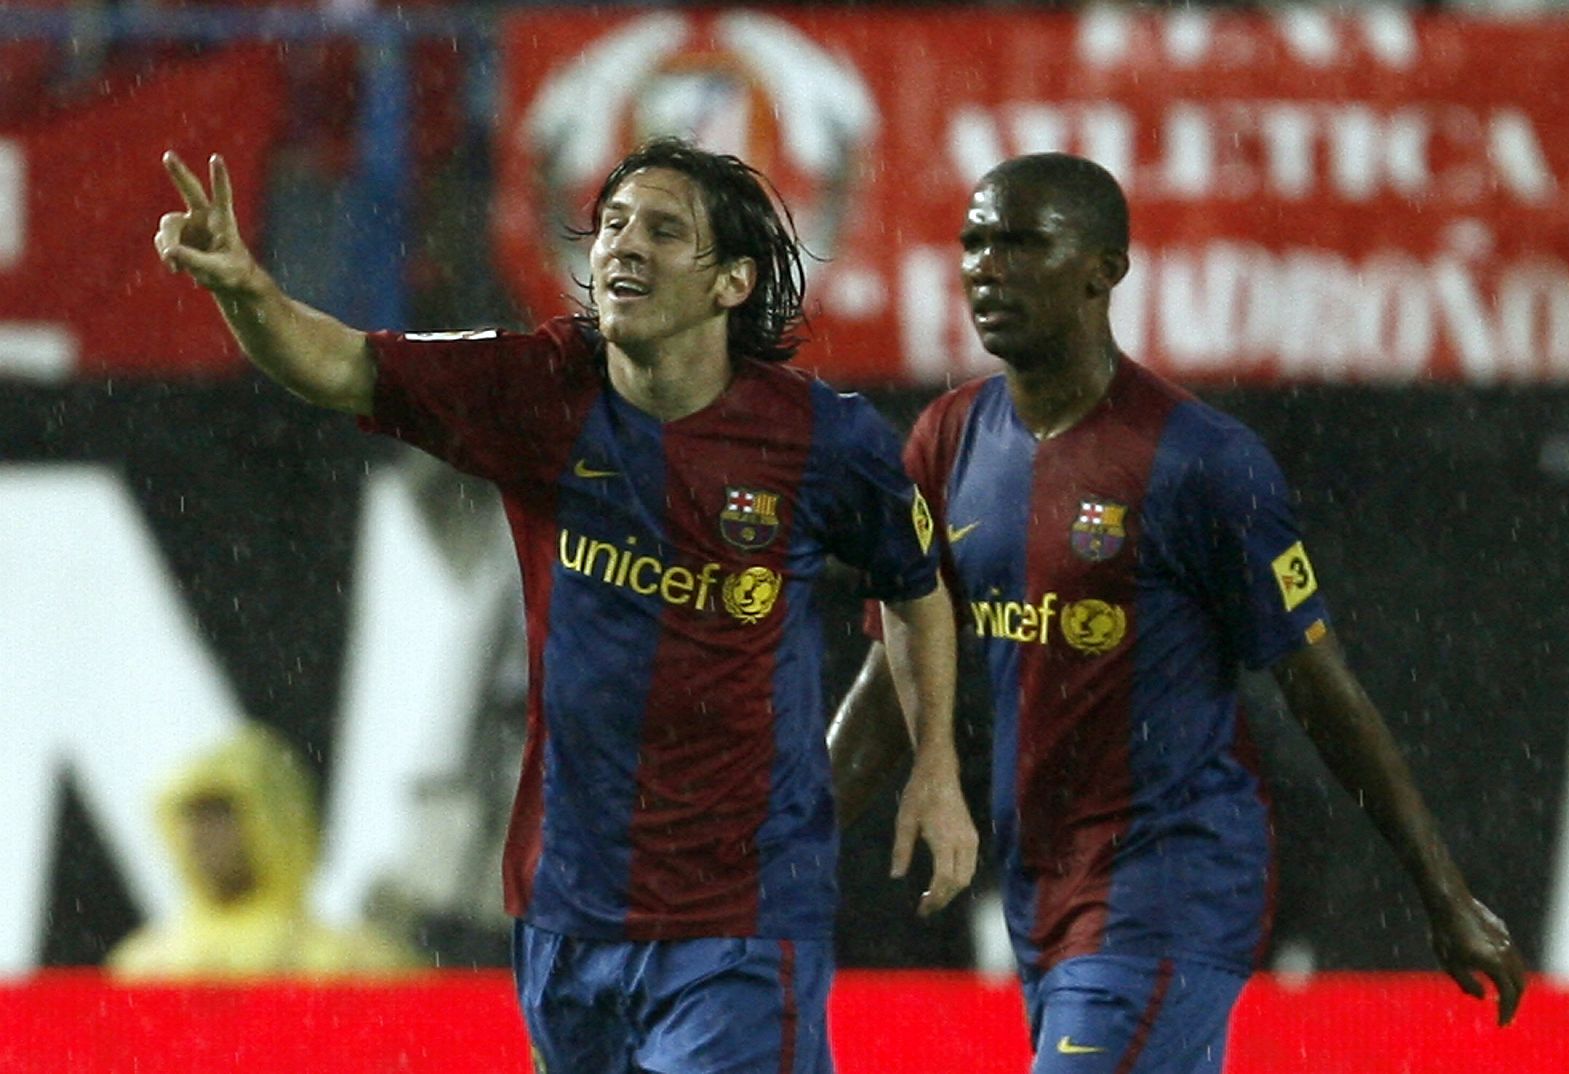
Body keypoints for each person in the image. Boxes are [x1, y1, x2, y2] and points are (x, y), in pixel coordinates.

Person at [154, 137, 977, 1072]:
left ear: (733, 284)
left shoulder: (823, 441)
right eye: (614, 223)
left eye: (664, 231)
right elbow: (343, 366)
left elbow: (917, 587)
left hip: (740, 915)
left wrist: (936, 769)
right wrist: (244, 290)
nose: (624, 245)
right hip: (565, 908)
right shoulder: (539, 387)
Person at [827, 153, 1526, 1073]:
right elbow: (891, 685)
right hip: (1038, 880)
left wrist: (1445, 893)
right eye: (974, 243)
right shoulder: (946, 441)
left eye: (1022, 242)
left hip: (1171, 878)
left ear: (1104, 269)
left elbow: (1320, 687)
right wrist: (760, 861)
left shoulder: (1202, 462)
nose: (986, 267)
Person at [107, 722, 420, 979]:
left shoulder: (352, 963)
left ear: (275, 818)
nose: (197, 835)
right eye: (189, 816)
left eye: (220, 813)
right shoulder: (146, 967)